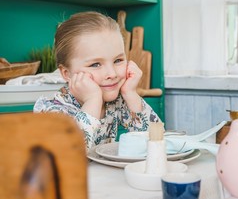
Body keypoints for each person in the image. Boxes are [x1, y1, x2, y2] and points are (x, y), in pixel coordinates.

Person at [34, 11, 160, 149]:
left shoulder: (116, 101)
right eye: (95, 64)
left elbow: (155, 141)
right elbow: (70, 156)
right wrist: (92, 101)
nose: (111, 74)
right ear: (66, 73)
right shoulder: (52, 110)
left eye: (118, 60)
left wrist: (130, 93)